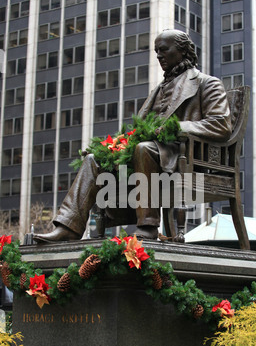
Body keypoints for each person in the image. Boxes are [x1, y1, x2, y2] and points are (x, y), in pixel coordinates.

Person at [33, 29, 231, 243]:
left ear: (182, 50)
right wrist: (115, 147)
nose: (158, 55)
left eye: (164, 50)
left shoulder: (207, 83)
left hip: (184, 158)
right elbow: (138, 131)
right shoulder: (158, 89)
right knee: (94, 159)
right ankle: (68, 227)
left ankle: (148, 226)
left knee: (143, 148)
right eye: (156, 51)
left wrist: (176, 128)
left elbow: (221, 125)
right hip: (147, 154)